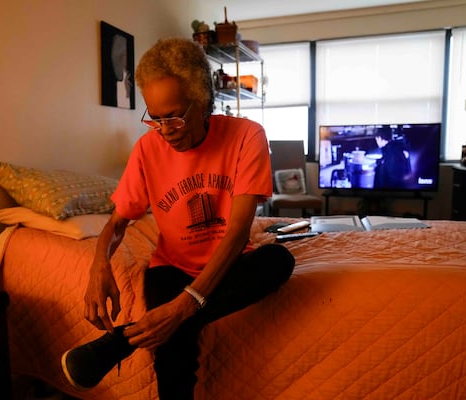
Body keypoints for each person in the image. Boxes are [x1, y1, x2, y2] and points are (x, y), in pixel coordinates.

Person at [62, 38, 295, 399]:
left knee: (279, 260)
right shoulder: (146, 150)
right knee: (174, 349)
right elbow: (117, 222)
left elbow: (236, 233)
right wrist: (98, 265)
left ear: (201, 99)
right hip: (170, 268)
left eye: (174, 115)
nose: (165, 129)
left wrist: (185, 306)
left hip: (229, 263)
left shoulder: (246, 136)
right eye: (155, 118)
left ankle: (118, 343)